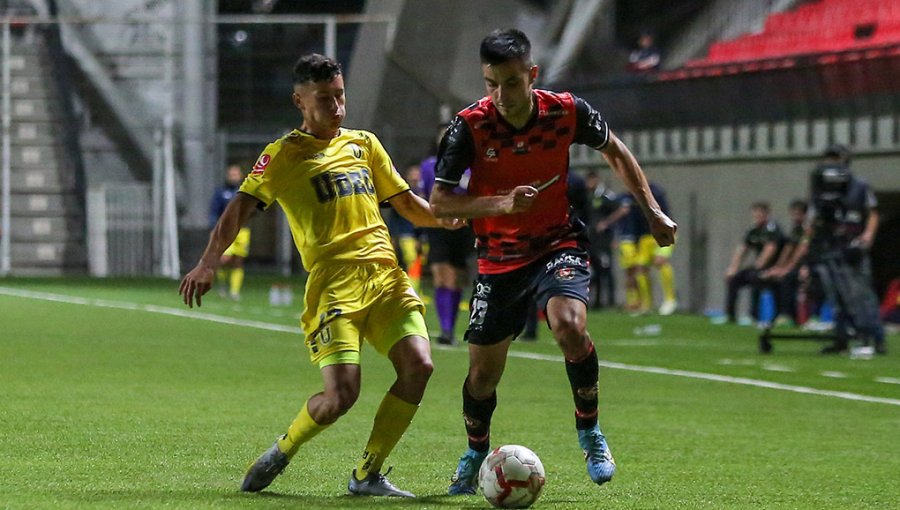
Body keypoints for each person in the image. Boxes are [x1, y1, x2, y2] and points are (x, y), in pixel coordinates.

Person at [179, 54, 463, 498]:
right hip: (333, 285)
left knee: (420, 366)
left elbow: (407, 204)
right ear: (300, 101)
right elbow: (239, 210)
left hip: (386, 276)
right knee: (340, 398)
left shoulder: (365, 145)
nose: (337, 106)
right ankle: (284, 448)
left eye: (340, 95)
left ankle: (368, 474)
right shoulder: (283, 154)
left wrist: (444, 220)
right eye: (325, 98)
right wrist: (209, 260)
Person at [429, 29, 677, 494]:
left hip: (556, 244)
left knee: (569, 325)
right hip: (499, 258)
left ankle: (590, 432)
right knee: (483, 375)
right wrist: (499, 205)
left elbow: (617, 152)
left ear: (532, 75)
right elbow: (441, 202)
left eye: (511, 82)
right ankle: (475, 450)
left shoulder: (566, 111)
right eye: (490, 84)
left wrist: (652, 211)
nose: (501, 95)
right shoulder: (470, 125)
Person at [782, 144, 886, 354]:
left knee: (860, 293)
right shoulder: (820, 191)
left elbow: (873, 212)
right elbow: (811, 223)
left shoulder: (859, 186)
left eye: (836, 159)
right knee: (836, 295)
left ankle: (873, 338)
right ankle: (842, 337)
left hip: (853, 243)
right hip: (830, 245)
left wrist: (867, 236)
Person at [420, 126, 475, 345]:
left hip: (460, 226)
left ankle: (449, 328)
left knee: (453, 276)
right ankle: (445, 330)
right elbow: (424, 195)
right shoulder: (429, 165)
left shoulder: (470, 166)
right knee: (440, 274)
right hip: (436, 226)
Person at [723, 201, 783, 324]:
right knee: (734, 279)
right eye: (755, 215)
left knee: (755, 278)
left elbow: (770, 249)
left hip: (773, 268)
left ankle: (754, 315)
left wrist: (758, 267)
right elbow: (742, 249)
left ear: (766, 214)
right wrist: (733, 267)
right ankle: (730, 315)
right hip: (758, 267)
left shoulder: (772, 229)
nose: (757, 218)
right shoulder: (754, 230)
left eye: (760, 215)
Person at [761, 199, 808, 325]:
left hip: (807, 266)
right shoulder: (795, 230)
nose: (795, 217)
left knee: (788, 278)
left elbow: (800, 252)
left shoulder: (808, 229)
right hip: (794, 267)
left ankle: (787, 314)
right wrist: (778, 267)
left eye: (798, 214)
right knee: (772, 278)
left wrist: (787, 269)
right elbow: (787, 250)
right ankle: (778, 314)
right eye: (793, 214)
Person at [209, 164, 250, 300]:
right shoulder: (221, 192)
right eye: (231, 174)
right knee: (224, 259)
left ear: (240, 176)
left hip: (242, 230)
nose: (233, 177)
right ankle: (222, 285)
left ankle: (234, 291)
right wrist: (214, 227)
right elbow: (214, 211)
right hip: (226, 230)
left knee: (238, 261)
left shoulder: (246, 192)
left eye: (236, 174)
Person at [585, 172, 620, 309]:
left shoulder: (606, 195)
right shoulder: (588, 195)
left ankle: (611, 301)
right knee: (592, 269)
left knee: (606, 269)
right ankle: (596, 302)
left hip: (604, 240)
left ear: (596, 179)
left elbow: (621, 210)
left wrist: (606, 223)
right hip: (591, 239)